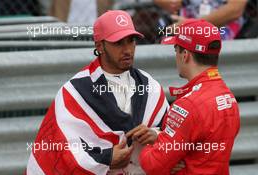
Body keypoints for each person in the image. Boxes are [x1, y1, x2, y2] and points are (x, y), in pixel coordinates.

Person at [26, 10, 169, 175]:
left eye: (131, 41)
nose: (127, 49)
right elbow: (59, 149)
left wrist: (156, 135)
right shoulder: (75, 91)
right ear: (100, 46)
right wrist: (106, 158)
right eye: (118, 43)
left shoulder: (149, 84)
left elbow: (172, 134)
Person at [138, 19, 240, 174]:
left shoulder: (187, 106)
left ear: (185, 55)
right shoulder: (228, 98)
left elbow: (153, 164)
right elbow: (199, 146)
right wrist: (161, 139)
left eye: (175, 49)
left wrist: (146, 147)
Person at [154, 0, 247, 40]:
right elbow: (170, 3)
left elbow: (235, 10)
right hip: (184, 31)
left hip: (224, 36)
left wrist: (191, 25)